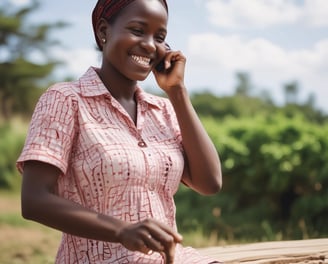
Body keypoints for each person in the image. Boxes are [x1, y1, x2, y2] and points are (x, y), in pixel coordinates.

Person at [17, 0, 222, 263]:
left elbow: (210, 183)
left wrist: (177, 91)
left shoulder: (164, 110)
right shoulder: (65, 100)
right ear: (104, 32)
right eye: (138, 30)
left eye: (160, 37)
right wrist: (121, 230)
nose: (150, 44)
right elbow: (34, 200)